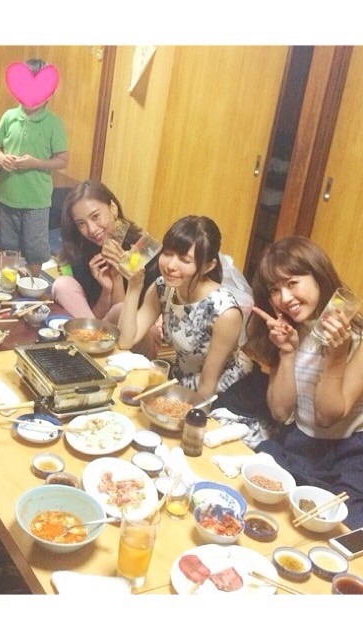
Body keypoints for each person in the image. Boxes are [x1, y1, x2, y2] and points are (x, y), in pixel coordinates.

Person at [247, 236, 363, 528]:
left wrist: (336, 356)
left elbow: (326, 416)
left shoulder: (358, 339)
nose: (284, 298)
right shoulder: (290, 330)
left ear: (319, 276)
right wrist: (287, 354)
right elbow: (280, 412)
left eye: (292, 283)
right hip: (298, 443)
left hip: (348, 455)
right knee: (259, 498)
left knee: (341, 530)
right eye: (275, 289)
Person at [118, 215, 252, 398]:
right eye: (167, 253)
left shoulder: (224, 312)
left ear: (208, 266)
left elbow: (207, 385)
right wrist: (134, 286)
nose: (170, 265)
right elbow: (126, 340)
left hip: (226, 393)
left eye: (185, 260)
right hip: (182, 380)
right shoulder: (161, 287)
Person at [52, 180, 162, 357]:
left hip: (135, 335)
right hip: (99, 327)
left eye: (95, 217)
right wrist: (106, 290)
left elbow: (125, 316)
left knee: (120, 310)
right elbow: (94, 317)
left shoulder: (141, 250)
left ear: (113, 208)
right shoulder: (83, 252)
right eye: (81, 223)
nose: (91, 229)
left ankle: (91, 345)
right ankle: (92, 344)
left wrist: (117, 275)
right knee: (62, 284)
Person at [0, 58, 68, 276]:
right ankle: (7, 284)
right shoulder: (9, 117)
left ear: (49, 94)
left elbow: (63, 160)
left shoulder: (53, 123)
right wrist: (1, 157)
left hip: (37, 200)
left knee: (35, 250)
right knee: (7, 246)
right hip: (7, 195)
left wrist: (36, 163)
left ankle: (33, 284)